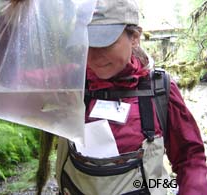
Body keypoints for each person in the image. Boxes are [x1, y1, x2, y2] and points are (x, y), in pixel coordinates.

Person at [53, 0, 207, 195]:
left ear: (134, 37)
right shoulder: (69, 82)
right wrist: (12, 19)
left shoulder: (159, 89)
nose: (94, 54)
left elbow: (190, 159)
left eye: (105, 42)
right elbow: (8, 78)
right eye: (87, 43)